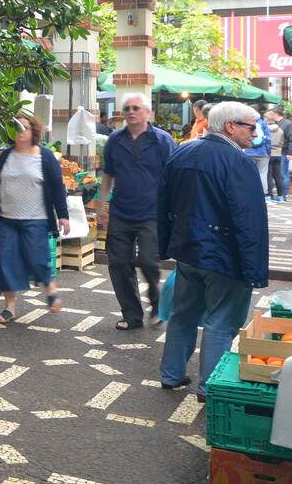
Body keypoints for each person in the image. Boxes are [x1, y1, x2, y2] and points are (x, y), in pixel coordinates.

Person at [157, 100, 269, 395]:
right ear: (231, 126)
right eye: (250, 126)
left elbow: (162, 203)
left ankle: (171, 374)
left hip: (187, 250)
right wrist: (254, 268)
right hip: (224, 255)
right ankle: (210, 388)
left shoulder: (183, 151)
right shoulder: (238, 162)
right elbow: (249, 220)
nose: (255, 134)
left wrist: (165, 244)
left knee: (183, 314)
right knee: (222, 321)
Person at [97, 93, 175, 331]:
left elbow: (174, 176)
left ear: (148, 113)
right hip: (121, 211)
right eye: (127, 108)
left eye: (136, 108)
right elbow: (108, 174)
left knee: (149, 262)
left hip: (153, 213)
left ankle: (157, 305)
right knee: (119, 263)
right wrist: (102, 204)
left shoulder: (162, 140)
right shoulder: (115, 140)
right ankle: (131, 315)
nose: (131, 112)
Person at [0, 114, 70, 324]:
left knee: (37, 258)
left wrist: (63, 216)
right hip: (6, 219)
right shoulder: (5, 156)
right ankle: (9, 308)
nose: (21, 132)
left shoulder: (45, 157)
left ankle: (51, 291)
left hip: (36, 219)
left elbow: (58, 188)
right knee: (7, 262)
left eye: (25, 128)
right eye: (16, 128)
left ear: (34, 132)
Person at [265, 106, 292, 203]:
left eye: (272, 114)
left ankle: (284, 194)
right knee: (277, 175)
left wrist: (290, 153)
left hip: (283, 153)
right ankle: (280, 195)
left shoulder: (288, 124)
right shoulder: (278, 124)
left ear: (276, 114)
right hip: (279, 152)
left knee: (282, 174)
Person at [241, 106, 272, 196]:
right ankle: (263, 194)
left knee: (249, 173)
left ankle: (250, 192)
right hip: (262, 152)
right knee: (262, 173)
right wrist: (268, 152)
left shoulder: (245, 123)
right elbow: (268, 139)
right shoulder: (262, 123)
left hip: (249, 152)